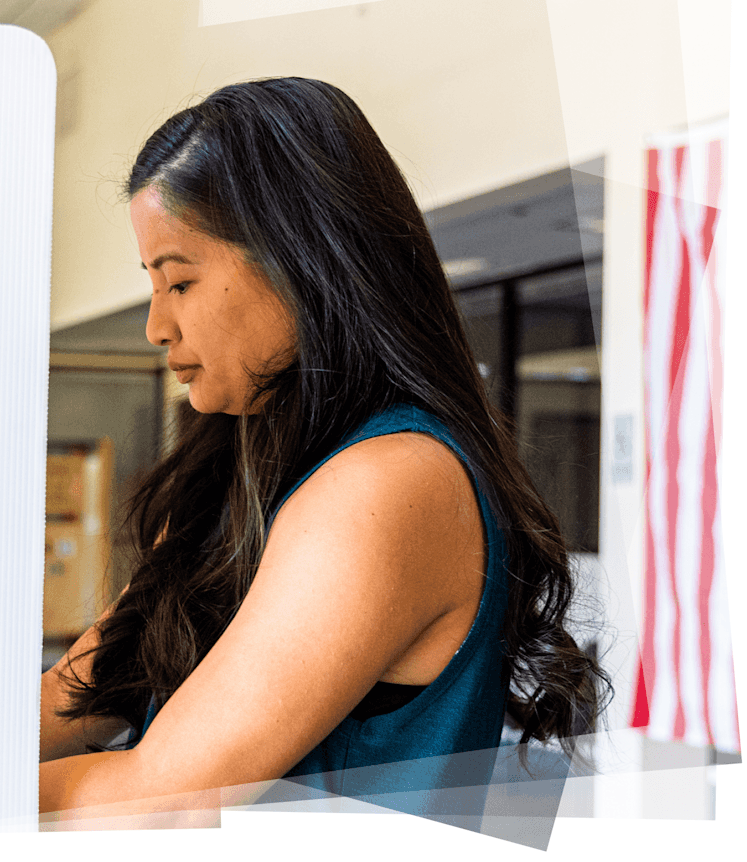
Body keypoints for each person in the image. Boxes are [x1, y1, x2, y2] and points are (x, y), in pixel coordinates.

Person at [38, 77, 608, 823]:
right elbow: (79, 696)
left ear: (298, 263)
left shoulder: (387, 483)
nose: (156, 326)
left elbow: (164, 801)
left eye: (179, 282)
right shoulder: (238, 476)